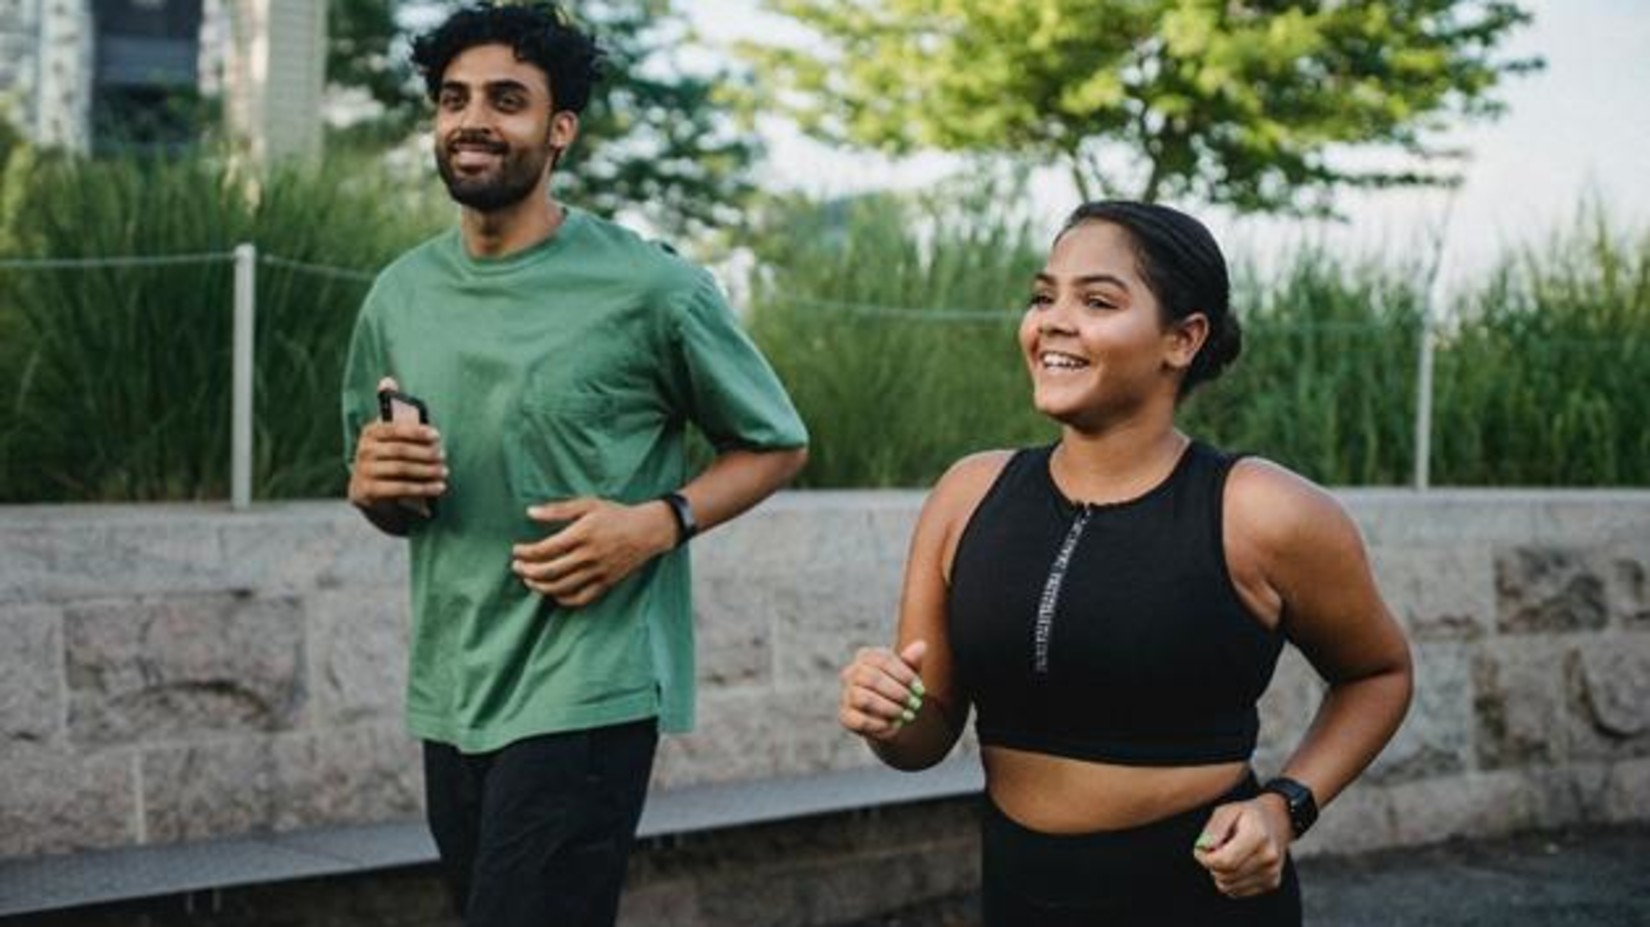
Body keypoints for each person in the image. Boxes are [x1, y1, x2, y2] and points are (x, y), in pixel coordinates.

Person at [339, 4, 808, 925]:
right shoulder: (397, 296)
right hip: (452, 686)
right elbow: (387, 494)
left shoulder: (653, 288)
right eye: (453, 99)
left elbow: (777, 442)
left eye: (506, 100)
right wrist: (372, 490)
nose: (472, 119)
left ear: (560, 131)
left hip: (588, 686)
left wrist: (654, 523)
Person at [838, 201, 1412, 925]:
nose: (1052, 319)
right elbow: (927, 737)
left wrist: (1286, 804)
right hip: (1017, 896)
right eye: (1044, 296)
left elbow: (1378, 673)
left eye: (1098, 300)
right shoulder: (967, 495)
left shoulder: (1262, 510)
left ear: (1182, 338)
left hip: (1200, 900)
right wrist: (889, 715)